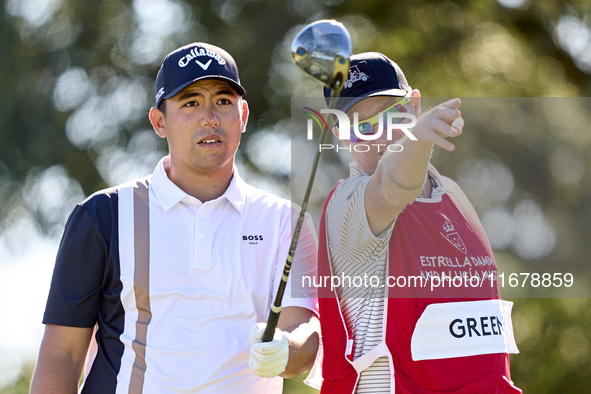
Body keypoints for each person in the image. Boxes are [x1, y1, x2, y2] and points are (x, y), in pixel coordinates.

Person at [30, 42, 320, 394]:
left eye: (223, 101)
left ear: (242, 116)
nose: (210, 117)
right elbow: (62, 352)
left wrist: (285, 351)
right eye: (191, 102)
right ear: (159, 121)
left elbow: (303, 332)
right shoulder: (102, 215)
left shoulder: (285, 221)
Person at [314, 52, 521, 393]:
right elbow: (391, 188)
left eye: (390, 115)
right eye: (361, 126)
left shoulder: (452, 194)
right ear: (341, 134)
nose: (379, 136)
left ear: (413, 105)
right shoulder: (347, 203)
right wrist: (418, 137)